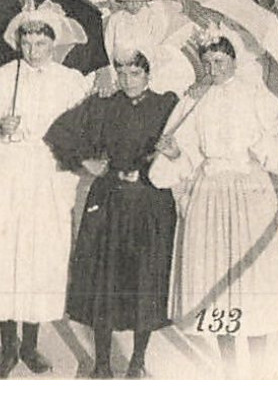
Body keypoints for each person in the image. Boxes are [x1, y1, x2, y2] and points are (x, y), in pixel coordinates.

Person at [150, 36, 278, 375]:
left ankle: (256, 373)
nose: (214, 70)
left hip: (248, 194)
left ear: (233, 62)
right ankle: (230, 373)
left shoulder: (256, 97)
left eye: (220, 62)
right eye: (208, 63)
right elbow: (187, 155)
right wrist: (174, 153)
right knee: (220, 284)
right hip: (210, 195)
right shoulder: (194, 101)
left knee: (252, 282)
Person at [0, 1, 92, 379]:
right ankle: (8, 347)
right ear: (17, 43)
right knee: (4, 257)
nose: (33, 51)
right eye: (26, 43)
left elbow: (85, 133)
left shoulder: (70, 82)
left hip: (46, 177)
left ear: (53, 43)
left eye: (40, 43)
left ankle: (31, 344)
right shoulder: (0, 78)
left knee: (38, 260)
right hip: (7, 175)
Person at [47, 50, 178, 379]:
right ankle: (101, 363)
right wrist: (87, 162)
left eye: (135, 73)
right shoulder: (104, 104)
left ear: (148, 74)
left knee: (144, 280)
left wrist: (164, 158)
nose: (128, 81)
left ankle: (137, 361)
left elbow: (186, 146)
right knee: (104, 281)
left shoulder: (167, 106)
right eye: (122, 74)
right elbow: (60, 133)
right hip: (110, 202)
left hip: (150, 204)